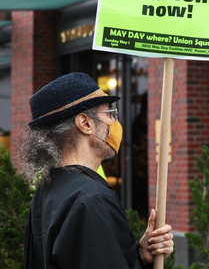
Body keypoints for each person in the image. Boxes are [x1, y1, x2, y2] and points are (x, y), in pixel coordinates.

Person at [18, 72, 174, 268]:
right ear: (85, 123)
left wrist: (140, 256)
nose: (115, 123)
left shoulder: (47, 190)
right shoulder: (91, 198)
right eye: (109, 114)